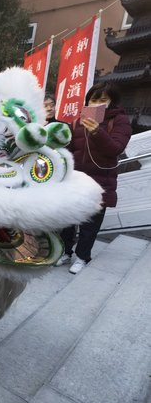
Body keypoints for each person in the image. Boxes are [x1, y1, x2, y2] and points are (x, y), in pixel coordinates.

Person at [54, 82, 132, 274]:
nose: (97, 104)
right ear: (88, 100)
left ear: (111, 102)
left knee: (90, 224)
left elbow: (115, 149)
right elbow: (70, 151)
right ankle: (65, 252)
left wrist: (97, 132)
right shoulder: (77, 122)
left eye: (103, 100)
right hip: (76, 181)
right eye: (94, 99)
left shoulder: (120, 121)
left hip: (100, 183)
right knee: (67, 221)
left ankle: (82, 257)